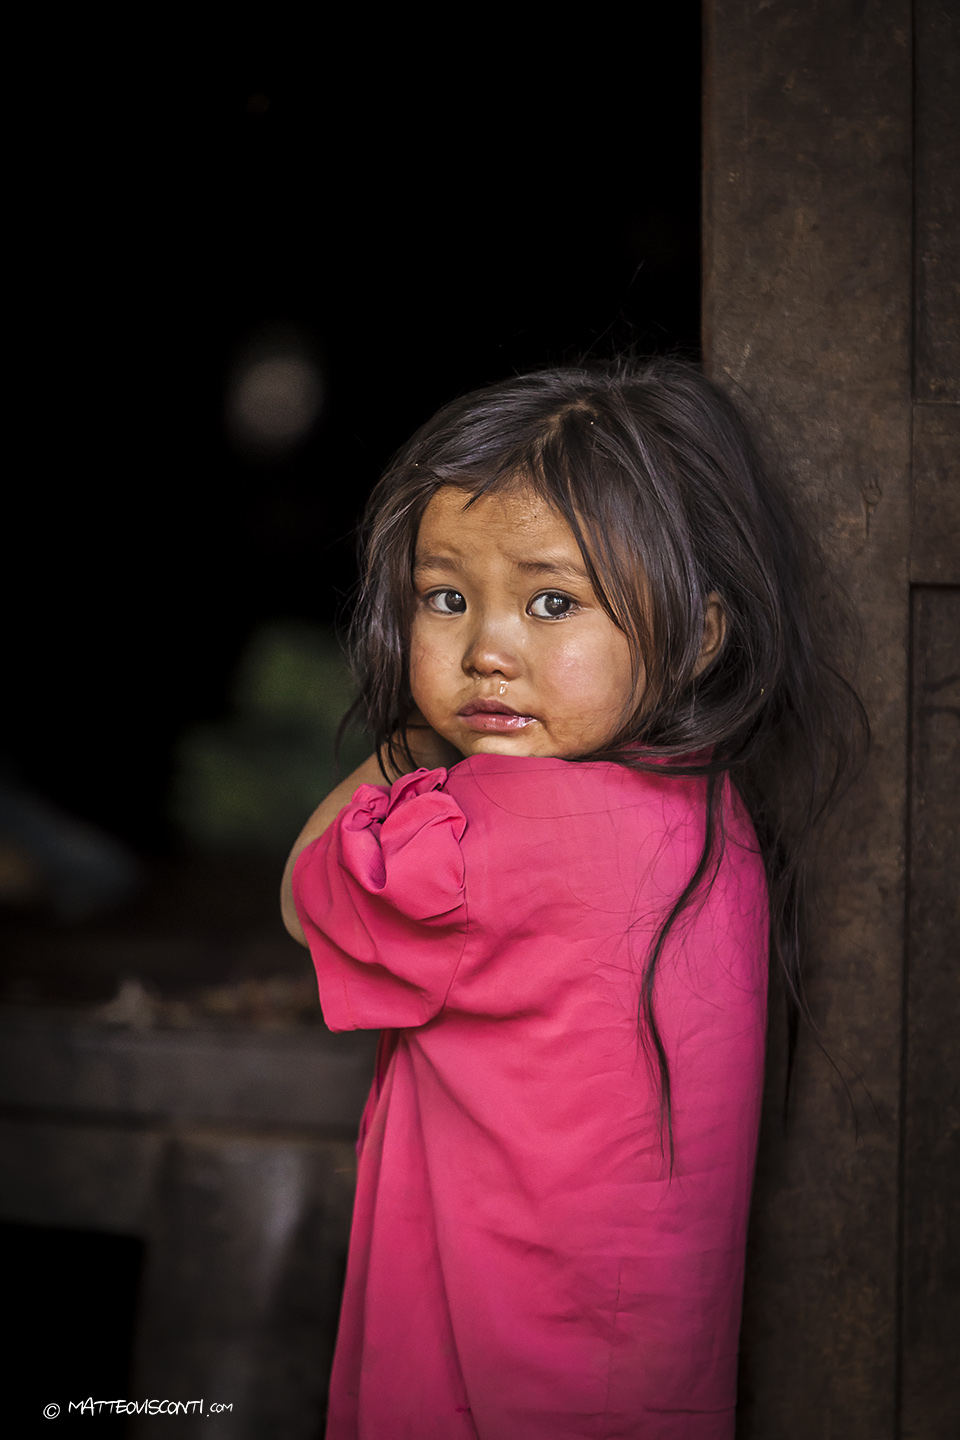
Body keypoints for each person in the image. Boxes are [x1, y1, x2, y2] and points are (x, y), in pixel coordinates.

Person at [280, 358, 865, 1439]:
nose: (488, 650)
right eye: (446, 598)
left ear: (697, 635)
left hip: (483, 1378)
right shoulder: (709, 811)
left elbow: (303, 892)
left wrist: (406, 745)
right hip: (642, 1379)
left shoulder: (476, 831)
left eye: (553, 603)